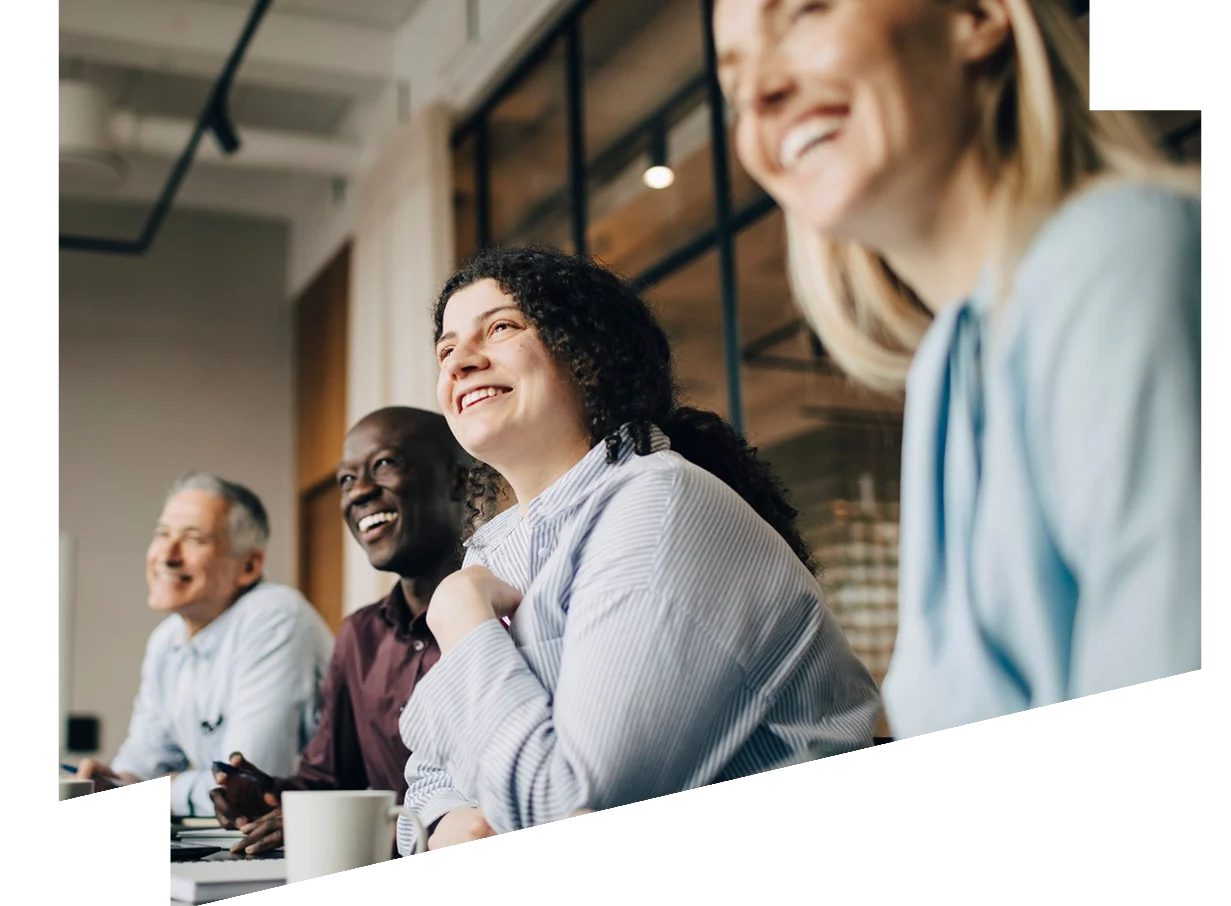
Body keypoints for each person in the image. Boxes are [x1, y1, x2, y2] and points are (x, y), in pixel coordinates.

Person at [712, 0, 1206, 740]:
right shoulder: (950, 361)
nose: (759, 93)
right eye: (733, 76)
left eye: (806, 14)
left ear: (976, 16)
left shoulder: (1118, 255)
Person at [395, 245, 882, 856]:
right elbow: (428, 769)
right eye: (445, 348)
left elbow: (570, 801)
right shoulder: (495, 550)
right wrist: (443, 822)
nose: (460, 361)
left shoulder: (659, 507)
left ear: (586, 354)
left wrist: (463, 622)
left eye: (501, 327)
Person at [204, 407, 474, 855]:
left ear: (458, 479)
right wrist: (266, 796)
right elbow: (327, 779)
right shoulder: (360, 635)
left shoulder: (506, 610)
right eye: (346, 480)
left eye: (385, 464)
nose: (360, 492)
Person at [73, 473, 335, 817]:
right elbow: (142, 761)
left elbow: (243, 786)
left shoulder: (276, 616)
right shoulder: (167, 640)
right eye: (162, 534)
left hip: (314, 838)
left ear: (249, 565)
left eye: (193, 539)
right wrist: (116, 781)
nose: (167, 555)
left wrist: (146, 790)